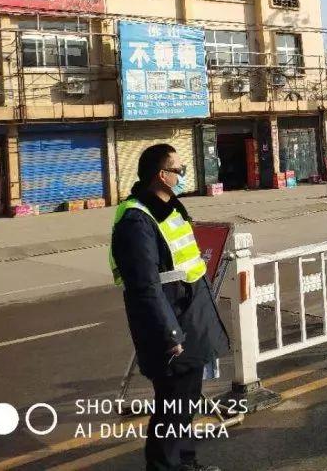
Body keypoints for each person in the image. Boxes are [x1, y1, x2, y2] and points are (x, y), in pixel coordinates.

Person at [109, 144, 229, 471]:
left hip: (189, 315)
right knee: (172, 403)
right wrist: (169, 333)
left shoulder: (171, 208)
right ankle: (164, 466)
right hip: (169, 324)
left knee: (186, 401)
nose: (183, 175)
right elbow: (144, 286)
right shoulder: (136, 220)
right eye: (179, 169)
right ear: (162, 175)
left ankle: (185, 463)